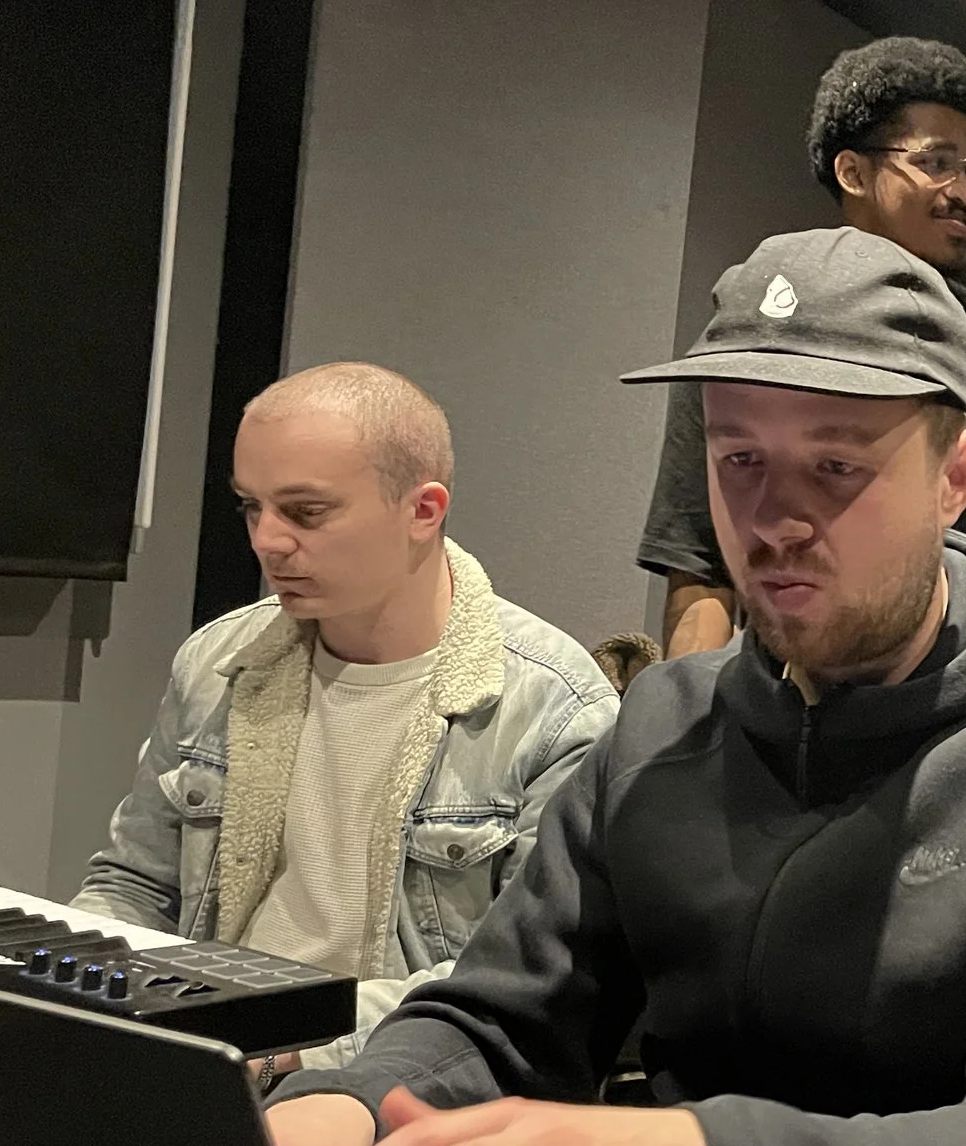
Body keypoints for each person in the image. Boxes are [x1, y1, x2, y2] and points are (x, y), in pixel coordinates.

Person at [266, 230, 966, 1146]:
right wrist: (354, 1105)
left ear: (953, 480)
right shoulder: (664, 723)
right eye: (740, 459)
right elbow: (505, 1020)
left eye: (836, 467)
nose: (775, 519)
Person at [74, 362, 618, 1078]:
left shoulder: (555, 709)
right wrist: (76, 987)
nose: (267, 541)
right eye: (251, 508)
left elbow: (514, 976)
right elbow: (136, 883)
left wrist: (283, 1050)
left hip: (397, 1082)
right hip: (209, 1054)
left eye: (305, 512)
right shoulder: (216, 661)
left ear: (423, 511)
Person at [639, 37, 966, 656]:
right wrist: (692, 706)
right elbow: (699, 569)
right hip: (779, 691)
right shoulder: (748, 337)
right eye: (937, 162)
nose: (965, 194)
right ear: (853, 172)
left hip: (961, 699)